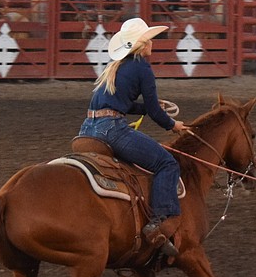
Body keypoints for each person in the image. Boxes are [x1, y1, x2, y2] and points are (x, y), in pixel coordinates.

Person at [76, 17, 187, 255]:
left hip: (88, 128)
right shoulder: (142, 67)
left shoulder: (115, 66)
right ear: (143, 43)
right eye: (150, 39)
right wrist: (173, 125)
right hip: (112, 129)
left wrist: (147, 107)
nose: (152, 43)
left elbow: (122, 104)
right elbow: (156, 114)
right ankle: (158, 221)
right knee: (166, 163)